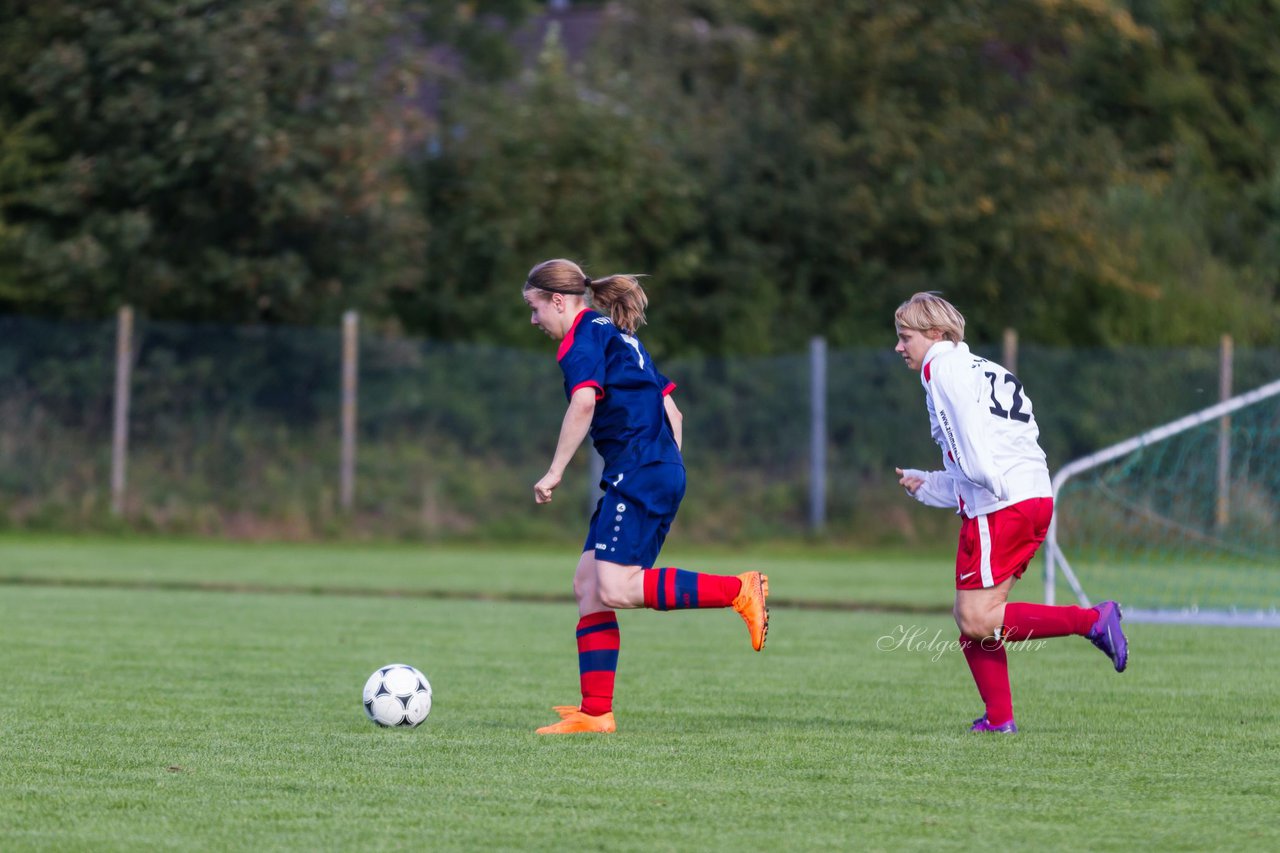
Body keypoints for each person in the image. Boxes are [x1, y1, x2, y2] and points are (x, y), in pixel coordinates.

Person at [522, 258, 769, 735]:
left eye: (535, 308)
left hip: (639, 471)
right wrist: (663, 466)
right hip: (652, 469)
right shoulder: (620, 337)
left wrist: (554, 472)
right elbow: (672, 412)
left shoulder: (583, 337)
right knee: (588, 585)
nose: (534, 320)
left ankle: (740, 590)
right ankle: (596, 713)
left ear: (558, 300)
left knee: (615, 588)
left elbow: (584, 400)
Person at [892, 292, 1127, 734]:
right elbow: (991, 446)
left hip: (1003, 503)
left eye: (906, 338)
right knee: (975, 615)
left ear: (936, 336)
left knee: (977, 616)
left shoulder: (940, 367)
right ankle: (999, 719)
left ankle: (1093, 620)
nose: (900, 347)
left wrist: (987, 484)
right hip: (1034, 495)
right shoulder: (983, 367)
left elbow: (975, 452)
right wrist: (932, 483)